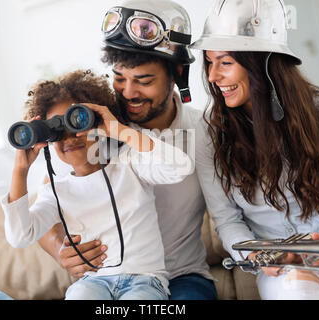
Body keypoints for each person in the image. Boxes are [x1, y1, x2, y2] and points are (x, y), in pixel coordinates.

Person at [37, 0, 218, 300]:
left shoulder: (204, 131)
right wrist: (58, 248)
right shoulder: (95, 131)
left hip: (184, 277)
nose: (129, 93)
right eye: (119, 79)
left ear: (177, 74)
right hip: (114, 281)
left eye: (144, 81)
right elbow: (48, 192)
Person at [191, 0, 319, 300]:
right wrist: (259, 256)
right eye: (209, 62)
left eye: (225, 62)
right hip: (278, 261)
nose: (212, 76)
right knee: (299, 288)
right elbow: (228, 222)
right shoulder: (212, 136)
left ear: (262, 62)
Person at [1, 69, 194, 300]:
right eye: (56, 132)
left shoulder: (130, 165)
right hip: (93, 283)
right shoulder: (56, 189)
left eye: (77, 122)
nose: (69, 138)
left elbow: (181, 167)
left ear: (98, 124)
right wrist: (20, 170)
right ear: (47, 140)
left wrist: (120, 131)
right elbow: (20, 235)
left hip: (145, 280)